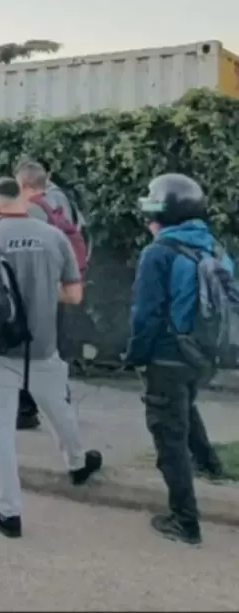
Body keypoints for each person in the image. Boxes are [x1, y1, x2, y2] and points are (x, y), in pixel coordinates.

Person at [0, 177, 101, 539]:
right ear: (24, 199)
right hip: (42, 346)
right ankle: (77, 464)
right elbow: (73, 296)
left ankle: (9, 513)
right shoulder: (53, 237)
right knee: (59, 409)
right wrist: (41, 288)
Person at [127, 173, 228, 545]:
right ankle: (209, 464)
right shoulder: (214, 248)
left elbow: (145, 316)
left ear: (161, 214)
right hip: (204, 354)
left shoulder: (158, 253)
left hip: (167, 356)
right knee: (185, 402)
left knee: (168, 436)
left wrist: (135, 356)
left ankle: (185, 522)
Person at [15, 161, 86, 429]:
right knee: (49, 348)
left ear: (23, 184)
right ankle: (48, 405)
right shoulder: (59, 202)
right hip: (57, 285)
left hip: (39, 288)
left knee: (33, 350)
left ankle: (30, 410)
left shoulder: (34, 209)